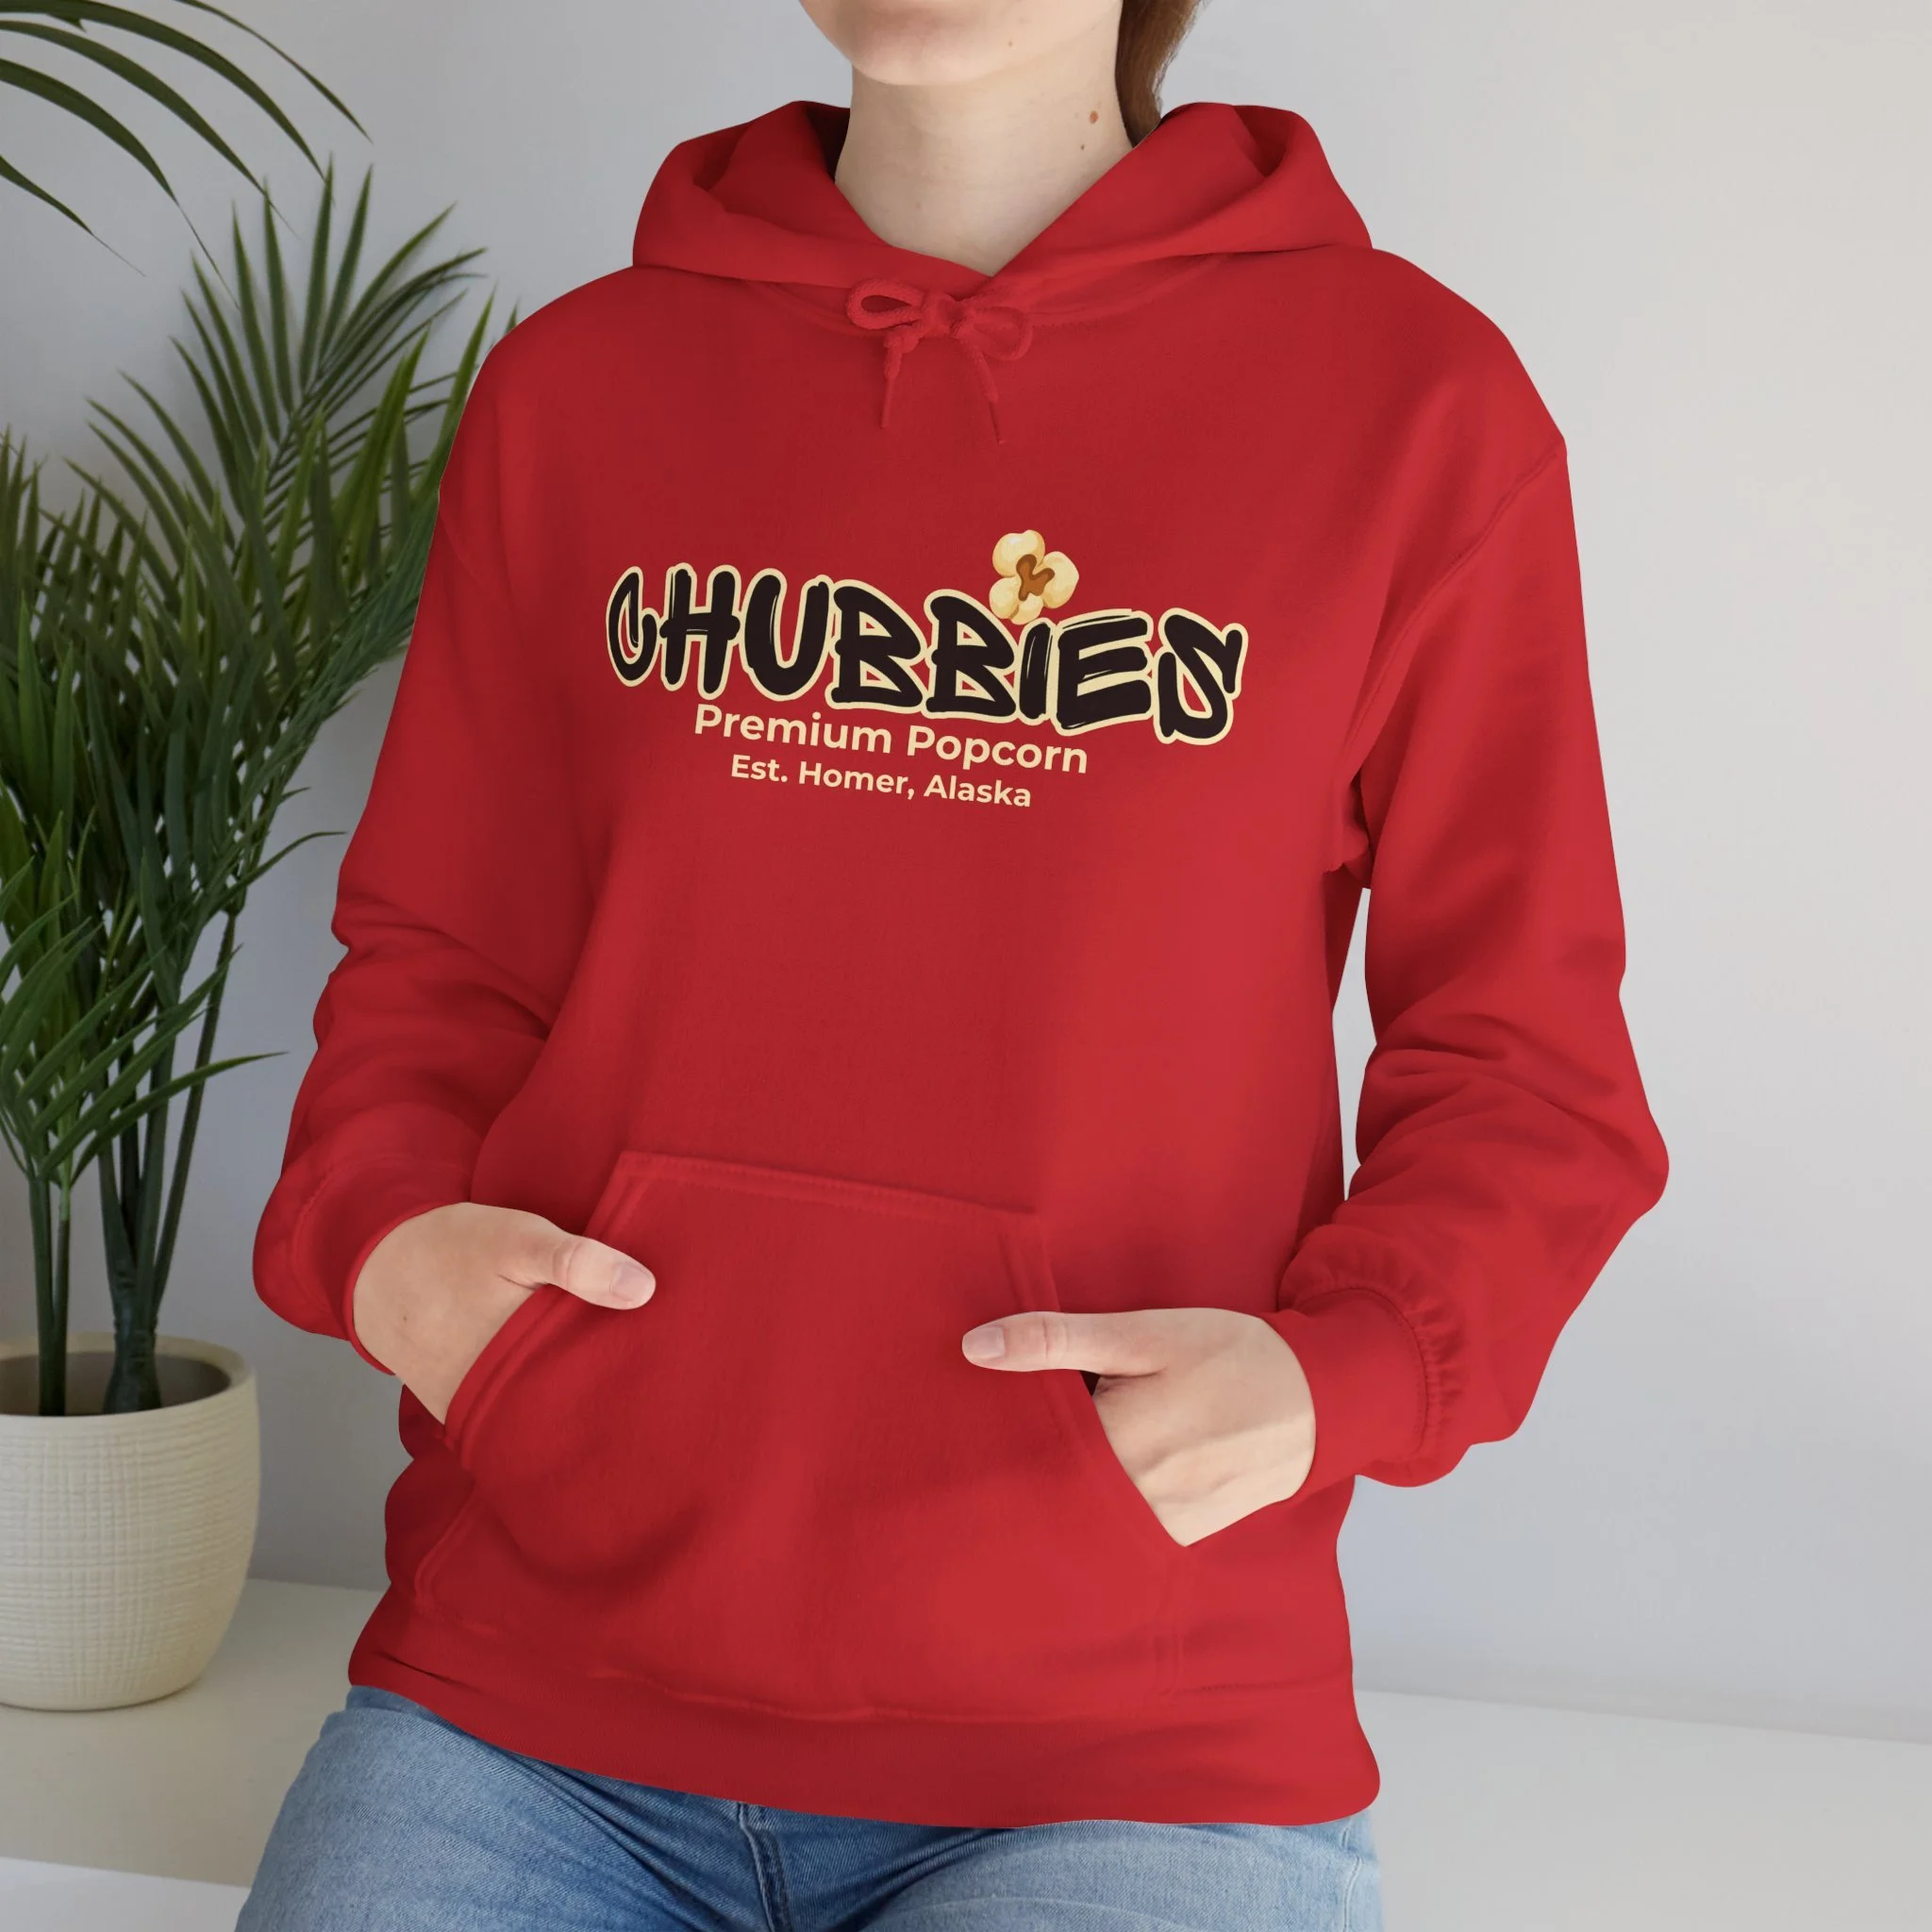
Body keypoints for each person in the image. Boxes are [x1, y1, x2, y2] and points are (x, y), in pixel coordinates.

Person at [240, 1, 1670, 1924]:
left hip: (1129, 1744)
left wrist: (1349, 1374)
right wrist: (388, 1244)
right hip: (534, 1705)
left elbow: (1524, 1058)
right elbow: (440, 950)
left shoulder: (1412, 407)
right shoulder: (584, 385)